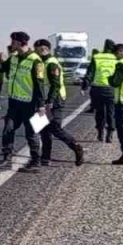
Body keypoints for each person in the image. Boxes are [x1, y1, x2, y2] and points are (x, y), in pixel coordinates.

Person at [0, 31, 45, 172]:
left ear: (20, 42)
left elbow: (40, 84)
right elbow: (2, 69)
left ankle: (36, 162)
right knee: (8, 129)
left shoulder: (36, 61)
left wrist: (41, 106)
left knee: (31, 133)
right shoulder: (14, 58)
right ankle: (7, 159)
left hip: (30, 104)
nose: (11, 44)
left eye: (13, 42)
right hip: (14, 103)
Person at [35, 39, 85, 167]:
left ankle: (76, 146)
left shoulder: (52, 63)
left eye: (37, 48)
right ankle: (45, 158)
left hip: (54, 100)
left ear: (43, 49)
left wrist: (50, 101)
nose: (35, 51)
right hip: (44, 99)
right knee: (43, 129)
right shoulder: (41, 62)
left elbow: (55, 85)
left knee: (54, 128)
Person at [85, 39, 119, 143]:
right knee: (111, 112)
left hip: (97, 89)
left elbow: (90, 72)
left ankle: (100, 132)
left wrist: (85, 84)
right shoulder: (116, 58)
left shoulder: (97, 57)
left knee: (100, 112)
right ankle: (110, 134)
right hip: (111, 89)